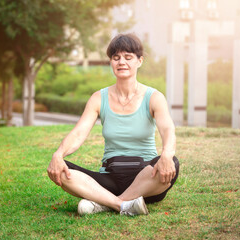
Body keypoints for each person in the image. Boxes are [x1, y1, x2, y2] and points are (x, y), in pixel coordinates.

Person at [47, 33, 179, 216]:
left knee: (172, 162)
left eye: (128, 57)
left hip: (146, 178)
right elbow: (79, 133)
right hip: (109, 178)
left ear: (139, 61)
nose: (121, 62)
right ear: (111, 62)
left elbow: (167, 129)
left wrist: (166, 155)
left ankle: (103, 203)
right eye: (116, 58)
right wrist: (58, 154)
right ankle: (122, 205)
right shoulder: (98, 98)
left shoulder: (154, 97)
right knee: (62, 171)